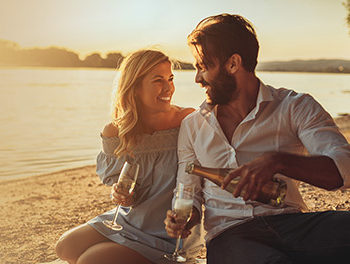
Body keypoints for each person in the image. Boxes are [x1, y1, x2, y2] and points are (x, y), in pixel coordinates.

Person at [164, 13, 350, 264]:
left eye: (203, 66)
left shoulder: (294, 106)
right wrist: (189, 215)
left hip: (294, 224)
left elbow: (344, 169)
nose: (197, 78)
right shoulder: (192, 125)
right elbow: (189, 191)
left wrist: (279, 161)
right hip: (230, 235)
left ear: (233, 64)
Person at [55, 49, 203, 264]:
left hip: (168, 233)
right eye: (158, 80)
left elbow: (198, 181)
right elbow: (120, 185)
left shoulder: (187, 121)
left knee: (90, 260)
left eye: (170, 78)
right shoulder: (116, 131)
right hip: (130, 220)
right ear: (135, 87)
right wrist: (120, 195)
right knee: (66, 247)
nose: (168, 87)